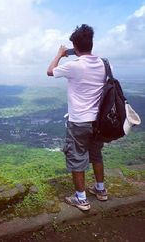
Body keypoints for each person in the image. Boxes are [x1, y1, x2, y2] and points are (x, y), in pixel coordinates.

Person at [47, 24, 108, 211]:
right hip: (99, 122)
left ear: (75, 45)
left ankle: (81, 199)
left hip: (79, 121)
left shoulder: (73, 66)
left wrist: (60, 54)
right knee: (96, 154)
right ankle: (101, 190)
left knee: (77, 157)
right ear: (91, 43)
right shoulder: (105, 63)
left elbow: (50, 71)